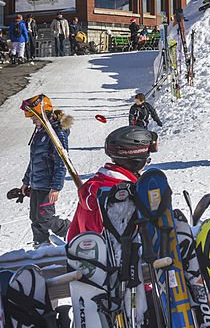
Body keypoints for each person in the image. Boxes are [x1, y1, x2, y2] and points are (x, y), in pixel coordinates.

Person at [67, 127, 158, 240]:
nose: (146, 165)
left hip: (90, 255)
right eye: (147, 160)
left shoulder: (93, 186)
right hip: (119, 257)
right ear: (136, 162)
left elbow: (74, 237)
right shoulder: (124, 195)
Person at [21, 98, 72, 247]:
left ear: (43, 114)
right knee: (35, 217)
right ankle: (41, 243)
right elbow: (34, 160)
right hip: (37, 183)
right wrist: (26, 182)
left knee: (45, 218)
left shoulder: (56, 132)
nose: (32, 121)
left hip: (48, 184)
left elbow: (62, 160)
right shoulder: (39, 132)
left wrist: (56, 187)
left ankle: (71, 230)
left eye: (33, 118)